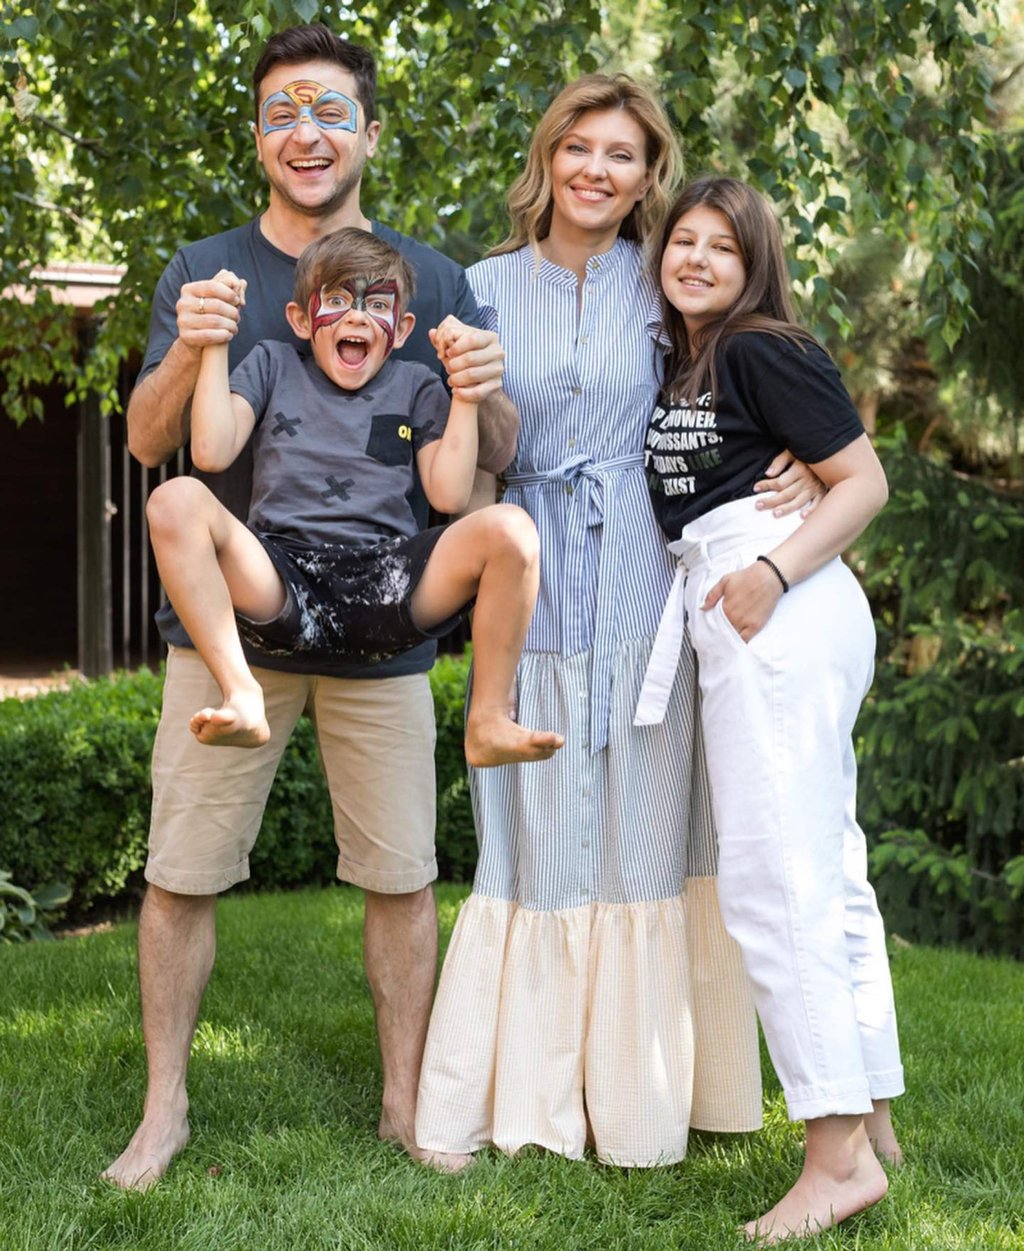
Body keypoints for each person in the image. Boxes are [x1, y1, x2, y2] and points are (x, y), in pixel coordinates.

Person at [103, 23, 520, 1189]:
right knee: (183, 868)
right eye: (284, 110)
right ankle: (163, 1109)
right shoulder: (204, 270)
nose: (308, 133)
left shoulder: (433, 277)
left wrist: (488, 402)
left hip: (382, 626)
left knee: (398, 873)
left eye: (331, 110)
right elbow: (151, 444)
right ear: (258, 133)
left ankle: (401, 1104)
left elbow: (489, 458)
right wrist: (192, 353)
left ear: (369, 133)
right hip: (235, 621)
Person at [415, 76, 824, 1168]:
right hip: (532, 569)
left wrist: (792, 457)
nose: (598, 170)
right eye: (579, 148)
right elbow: (468, 464)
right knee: (536, 824)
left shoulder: (668, 281)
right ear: (547, 157)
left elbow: (755, 370)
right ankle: (529, 1100)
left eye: (624, 155)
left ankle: (645, 1101)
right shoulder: (481, 288)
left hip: (654, 574)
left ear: (650, 174)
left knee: (646, 820)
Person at [634, 175, 904, 1241]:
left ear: (755, 268)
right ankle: (871, 1110)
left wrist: (772, 574)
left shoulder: (758, 345)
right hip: (754, 593)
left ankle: (832, 1156)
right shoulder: (700, 360)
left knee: (771, 874)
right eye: (682, 241)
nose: (695, 258)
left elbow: (864, 480)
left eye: (721, 247)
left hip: (771, 601)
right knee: (823, 863)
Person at [146, 228, 561, 767]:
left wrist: (464, 391)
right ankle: (240, 693)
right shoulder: (273, 364)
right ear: (301, 319)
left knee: (512, 528)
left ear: (402, 328)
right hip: (282, 577)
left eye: (377, 304)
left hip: (388, 580)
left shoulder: (416, 384)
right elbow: (211, 451)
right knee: (174, 500)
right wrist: (216, 341)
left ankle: (487, 719)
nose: (358, 317)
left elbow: (449, 491)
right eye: (337, 300)